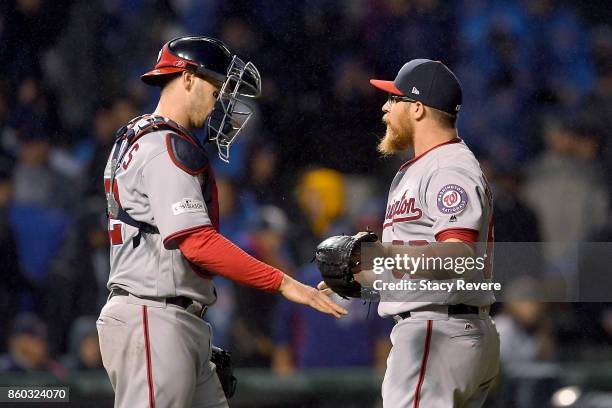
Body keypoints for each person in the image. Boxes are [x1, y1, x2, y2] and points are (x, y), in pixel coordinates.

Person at [97, 36, 346, 408]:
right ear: (187, 78)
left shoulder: (139, 136)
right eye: (217, 87)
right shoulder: (163, 145)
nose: (221, 101)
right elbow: (197, 242)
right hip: (154, 316)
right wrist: (283, 282)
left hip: (170, 315)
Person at [318, 59, 500, 407]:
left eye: (394, 99)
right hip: (443, 328)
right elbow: (418, 261)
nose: (385, 108)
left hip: (437, 333)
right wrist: (366, 282)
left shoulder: (449, 167)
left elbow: (460, 257)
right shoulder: (420, 169)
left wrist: (383, 253)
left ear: (417, 108)